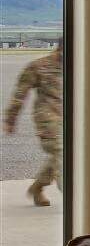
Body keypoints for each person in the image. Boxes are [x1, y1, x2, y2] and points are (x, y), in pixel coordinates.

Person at [4, 43, 62, 207]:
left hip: (71, 117)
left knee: (62, 155)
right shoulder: (39, 66)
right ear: (60, 48)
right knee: (61, 150)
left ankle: (37, 186)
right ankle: (73, 194)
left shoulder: (78, 64)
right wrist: (10, 120)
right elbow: (20, 94)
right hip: (47, 118)